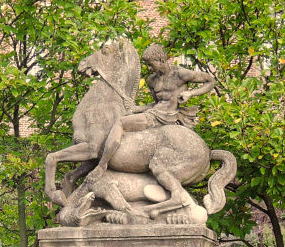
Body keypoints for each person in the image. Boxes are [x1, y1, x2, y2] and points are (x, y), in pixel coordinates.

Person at [85, 43, 215, 184]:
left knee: (121, 122)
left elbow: (210, 81)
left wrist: (191, 93)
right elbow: (155, 104)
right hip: (154, 114)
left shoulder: (180, 74)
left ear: (160, 60)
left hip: (168, 116)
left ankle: (102, 164)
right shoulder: (152, 80)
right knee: (125, 117)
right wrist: (137, 109)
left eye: (151, 64)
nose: (149, 68)